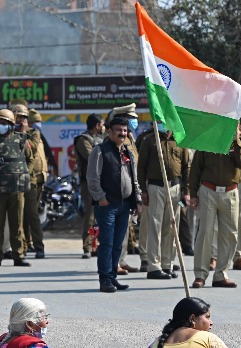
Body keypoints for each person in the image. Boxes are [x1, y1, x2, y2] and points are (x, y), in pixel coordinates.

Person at [87, 116, 142, 293]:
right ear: (110, 132)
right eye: (118, 130)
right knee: (107, 243)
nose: (122, 133)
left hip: (125, 205)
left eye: (125, 131)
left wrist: (137, 200)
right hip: (107, 205)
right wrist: (101, 198)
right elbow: (92, 178)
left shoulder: (128, 152)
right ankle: (105, 279)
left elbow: (134, 180)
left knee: (118, 244)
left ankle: (113, 277)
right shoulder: (100, 151)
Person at [190, 126, 241, 288]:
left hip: (231, 192)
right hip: (208, 190)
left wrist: (236, 141)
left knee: (230, 235)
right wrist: (193, 193)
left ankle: (221, 274)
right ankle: (200, 275)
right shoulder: (206, 139)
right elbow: (196, 168)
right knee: (205, 233)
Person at [0, 109, 34, 267]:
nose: (1, 126)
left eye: (4, 123)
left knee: (17, 223)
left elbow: (30, 160)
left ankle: (18, 255)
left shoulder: (21, 140)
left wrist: (24, 174)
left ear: (11, 125)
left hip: (16, 188)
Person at [137, 126, 190, 280]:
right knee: (155, 226)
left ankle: (167, 263)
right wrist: (143, 190)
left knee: (172, 225)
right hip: (155, 186)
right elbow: (141, 167)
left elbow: (186, 167)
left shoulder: (180, 139)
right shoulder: (150, 140)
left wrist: (186, 192)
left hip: (175, 187)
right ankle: (154, 266)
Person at [12, 104, 46, 259]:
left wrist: (23, 133)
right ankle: (22, 247)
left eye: (23, 118)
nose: (21, 121)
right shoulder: (9, 133)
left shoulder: (33, 133)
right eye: (18, 118)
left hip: (30, 178)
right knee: (18, 215)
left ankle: (39, 246)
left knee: (32, 213)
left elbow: (31, 148)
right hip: (13, 178)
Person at [74, 113, 104, 259]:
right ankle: (87, 246)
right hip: (90, 182)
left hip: (103, 182)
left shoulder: (103, 139)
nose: (104, 127)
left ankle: (97, 245)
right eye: (102, 124)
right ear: (97, 125)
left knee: (102, 215)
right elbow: (92, 156)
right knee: (90, 214)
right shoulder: (83, 140)